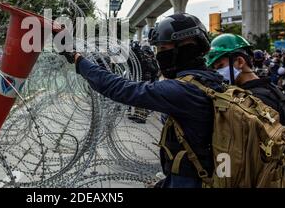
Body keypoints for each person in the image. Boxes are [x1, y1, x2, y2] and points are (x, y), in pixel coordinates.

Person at [60, 13, 223, 188]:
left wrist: (78, 59)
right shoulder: (213, 81)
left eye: (162, 48)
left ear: (185, 46)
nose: (159, 55)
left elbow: (120, 88)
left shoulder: (183, 91)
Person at [206, 34, 285, 187]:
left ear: (240, 62)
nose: (217, 73)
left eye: (219, 66)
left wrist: (223, 176)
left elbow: (240, 153)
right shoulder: (270, 89)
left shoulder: (254, 99)